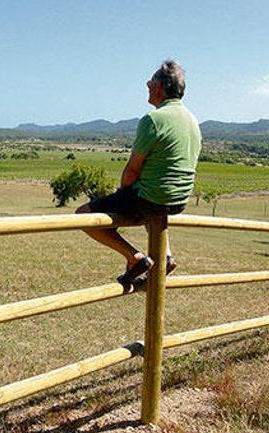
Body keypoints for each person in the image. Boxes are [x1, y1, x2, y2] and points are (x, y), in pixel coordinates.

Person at [76, 60, 201, 288]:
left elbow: (132, 170)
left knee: (84, 214)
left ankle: (135, 257)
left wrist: (121, 193)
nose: (147, 84)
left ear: (161, 87)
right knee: (152, 202)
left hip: (152, 198)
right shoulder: (193, 121)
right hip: (179, 201)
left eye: (151, 81)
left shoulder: (153, 119)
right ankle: (166, 257)